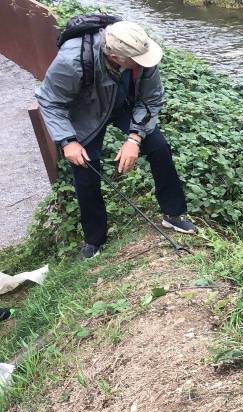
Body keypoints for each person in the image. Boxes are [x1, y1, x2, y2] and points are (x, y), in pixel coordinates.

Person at [36, 20, 195, 259]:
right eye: (135, 60)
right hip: (86, 112)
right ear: (113, 55)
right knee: (85, 170)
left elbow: (151, 98)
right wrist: (68, 141)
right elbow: (50, 101)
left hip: (123, 104)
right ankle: (94, 240)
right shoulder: (72, 61)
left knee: (160, 148)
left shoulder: (141, 54)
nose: (145, 62)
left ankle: (173, 214)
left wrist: (134, 138)